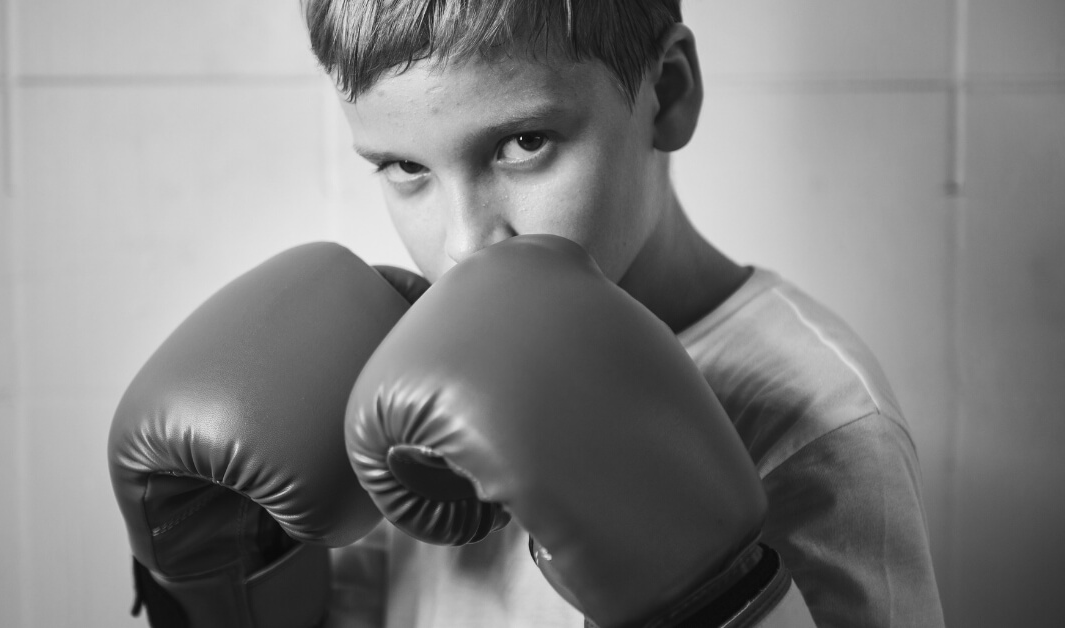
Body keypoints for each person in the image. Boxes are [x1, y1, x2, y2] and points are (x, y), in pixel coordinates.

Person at [304, 1, 944, 627]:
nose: (465, 243)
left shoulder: (819, 420)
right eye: (407, 166)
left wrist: (714, 601)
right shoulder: (401, 382)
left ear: (665, 92)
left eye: (524, 143)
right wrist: (252, 579)